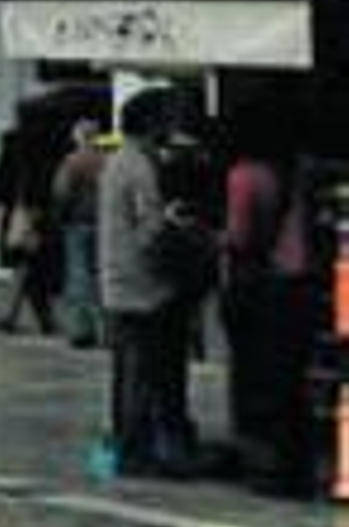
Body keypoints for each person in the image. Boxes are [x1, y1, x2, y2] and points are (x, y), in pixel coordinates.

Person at [98, 86, 207, 480]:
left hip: (119, 284)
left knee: (127, 373)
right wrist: (175, 227)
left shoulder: (117, 162)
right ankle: (138, 453)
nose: (172, 126)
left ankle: (126, 450)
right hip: (144, 287)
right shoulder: (140, 167)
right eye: (166, 118)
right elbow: (148, 233)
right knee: (144, 375)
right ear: (151, 123)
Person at [220, 105, 317, 497]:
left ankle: (268, 469)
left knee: (260, 379)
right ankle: (298, 466)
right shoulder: (297, 173)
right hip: (298, 285)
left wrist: (215, 239)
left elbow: (243, 238)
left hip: (265, 288)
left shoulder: (245, 175)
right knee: (291, 382)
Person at [0, 113, 58, 335]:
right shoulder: (49, 149)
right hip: (41, 216)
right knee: (33, 269)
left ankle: (12, 316)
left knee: (24, 268)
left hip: (18, 217)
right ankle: (44, 320)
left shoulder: (12, 149)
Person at [50, 115, 105, 348]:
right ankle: (106, 329)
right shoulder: (108, 160)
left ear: (79, 136)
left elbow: (61, 193)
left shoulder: (72, 161)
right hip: (102, 224)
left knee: (79, 278)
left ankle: (83, 330)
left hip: (77, 224)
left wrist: (59, 217)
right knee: (101, 277)